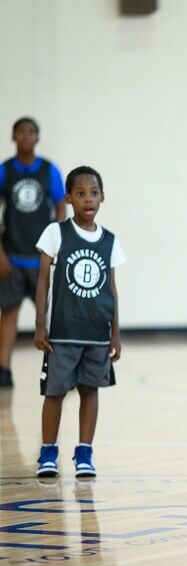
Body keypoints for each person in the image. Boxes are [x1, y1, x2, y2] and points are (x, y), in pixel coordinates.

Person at [33, 166, 125, 478]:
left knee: (90, 391)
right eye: (82, 193)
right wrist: (40, 324)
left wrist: (115, 333)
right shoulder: (56, 233)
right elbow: (43, 281)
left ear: (103, 197)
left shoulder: (110, 240)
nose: (89, 199)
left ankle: (84, 452)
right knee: (55, 392)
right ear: (69, 198)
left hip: (97, 334)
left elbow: (111, 289)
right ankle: (48, 451)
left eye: (94, 193)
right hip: (63, 332)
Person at [0, 117, 66, 388]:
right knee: (9, 312)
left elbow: (61, 207)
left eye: (31, 132)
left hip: (41, 257)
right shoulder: (5, 171)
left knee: (51, 315)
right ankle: (3, 369)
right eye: (21, 132)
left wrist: (57, 244)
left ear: (37, 138)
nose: (26, 136)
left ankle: (60, 369)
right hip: (13, 256)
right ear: (13, 137)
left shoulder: (49, 170)